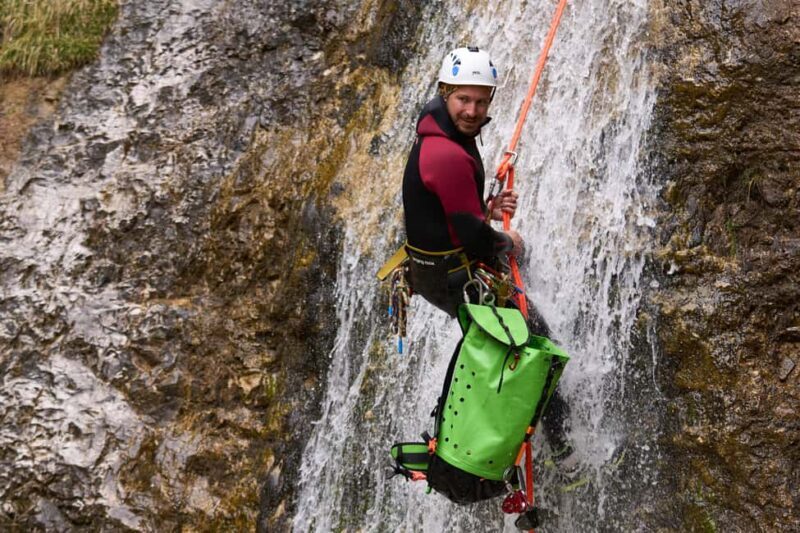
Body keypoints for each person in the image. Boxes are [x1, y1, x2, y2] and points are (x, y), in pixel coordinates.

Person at [401, 46, 573, 461]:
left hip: (433, 269)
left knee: (511, 326)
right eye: (463, 99)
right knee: (538, 346)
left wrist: (485, 211)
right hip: (452, 275)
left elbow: (447, 211)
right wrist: (506, 241)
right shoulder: (447, 154)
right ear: (445, 92)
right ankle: (564, 450)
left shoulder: (440, 134)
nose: (472, 110)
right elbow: (476, 241)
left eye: (481, 100)